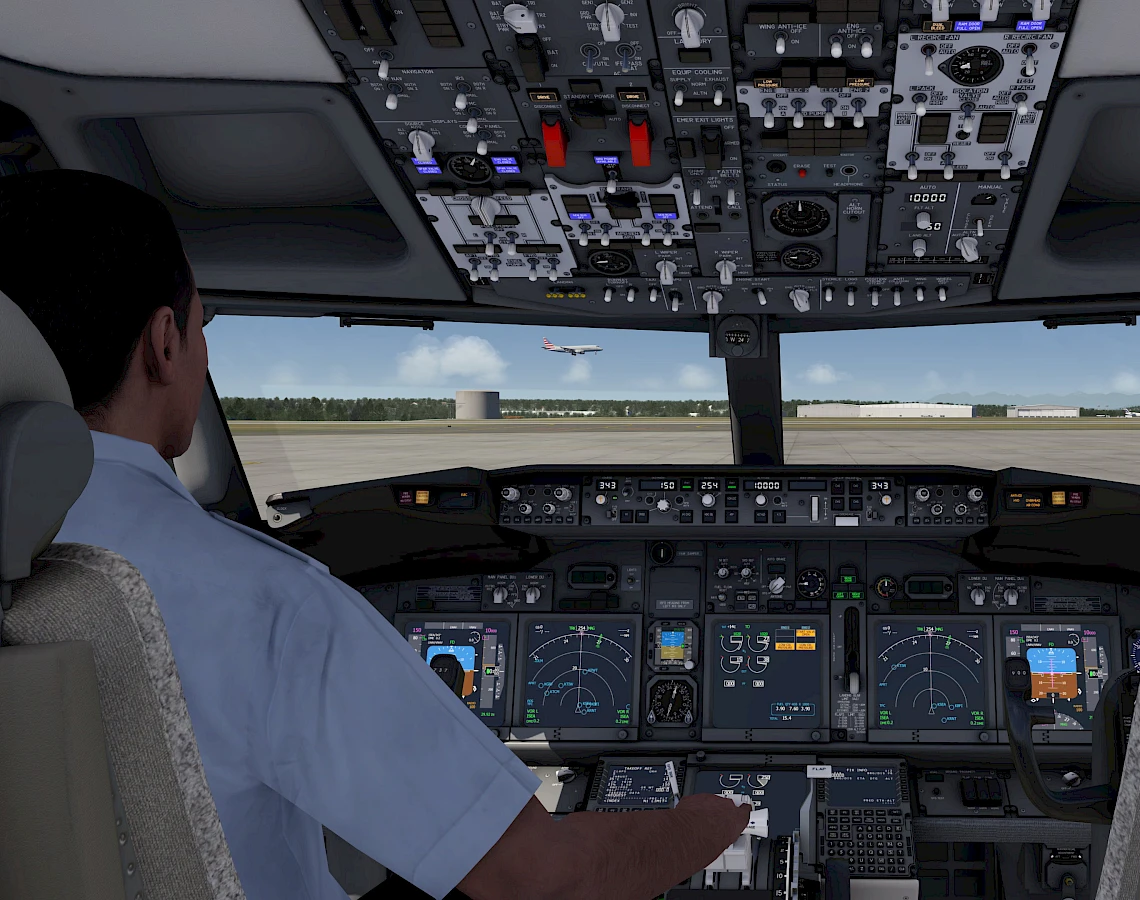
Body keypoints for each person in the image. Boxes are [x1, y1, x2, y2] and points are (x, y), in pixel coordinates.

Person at [0, 169, 749, 900]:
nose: (203, 348)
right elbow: (545, 879)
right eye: (204, 325)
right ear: (165, 343)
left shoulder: (29, 560)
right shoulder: (261, 599)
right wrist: (721, 817)